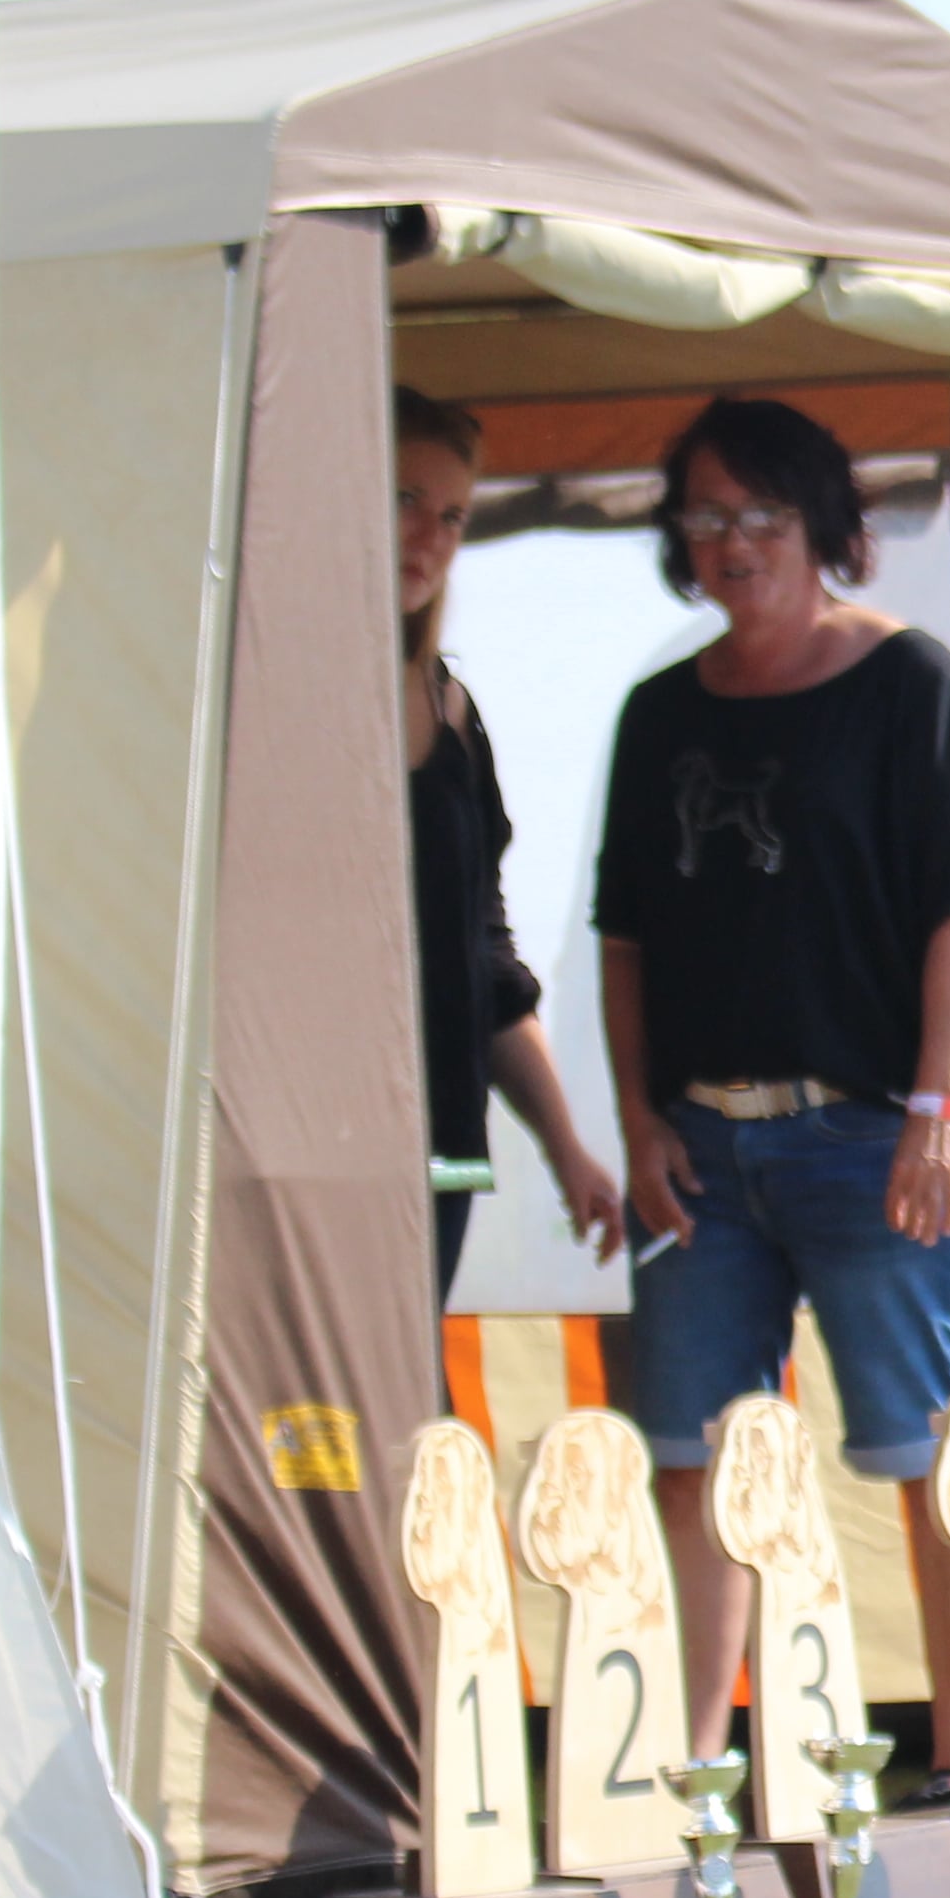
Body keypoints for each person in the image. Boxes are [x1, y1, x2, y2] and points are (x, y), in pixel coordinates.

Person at [591, 396, 950, 1790]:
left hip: (881, 1134)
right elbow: (624, 937)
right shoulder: (656, 716)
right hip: (704, 1148)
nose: (732, 543)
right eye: (704, 519)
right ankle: (692, 1772)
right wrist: (638, 1118)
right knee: (690, 1453)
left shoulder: (910, 685)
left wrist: (939, 1108)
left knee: (930, 1451)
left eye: (761, 516)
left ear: (824, 529)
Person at [394, 388, 624, 1304]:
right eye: (405, 499)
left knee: (413, 1404)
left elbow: (486, 963)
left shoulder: (454, 713)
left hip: (447, 1154)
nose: (432, 536)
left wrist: (566, 1147)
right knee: (313, 1429)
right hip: (299, 1156)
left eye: (453, 514)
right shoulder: (256, 691)